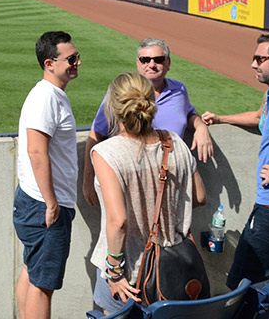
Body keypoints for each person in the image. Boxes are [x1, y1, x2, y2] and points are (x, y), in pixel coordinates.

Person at [89, 72, 206, 313]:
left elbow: (118, 221)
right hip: (174, 268)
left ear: (114, 107)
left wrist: (114, 272)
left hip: (130, 275)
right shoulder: (175, 141)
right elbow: (200, 197)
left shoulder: (106, 153)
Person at [83, 38, 213, 206]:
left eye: (158, 60)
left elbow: (188, 114)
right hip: (134, 179)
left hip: (171, 179)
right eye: (145, 60)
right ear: (138, 63)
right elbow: (95, 134)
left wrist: (200, 126)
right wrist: (87, 181)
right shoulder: (122, 93)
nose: (152, 65)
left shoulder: (179, 90)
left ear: (168, 63)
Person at [13, 31, 80, 319]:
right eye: (71, 59)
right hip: (44, 204)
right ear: (50, 63)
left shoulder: (51, 95)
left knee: (32, 269)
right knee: (43, 285)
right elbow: (36, 152)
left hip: (36, 200)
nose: (77, 62)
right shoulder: (46, 98)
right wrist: (52, 202)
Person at [224, 34, 269, 288]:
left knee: (241, 288)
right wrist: (221, 119)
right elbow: (261, 118)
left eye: (259, 59)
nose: (253, 64)